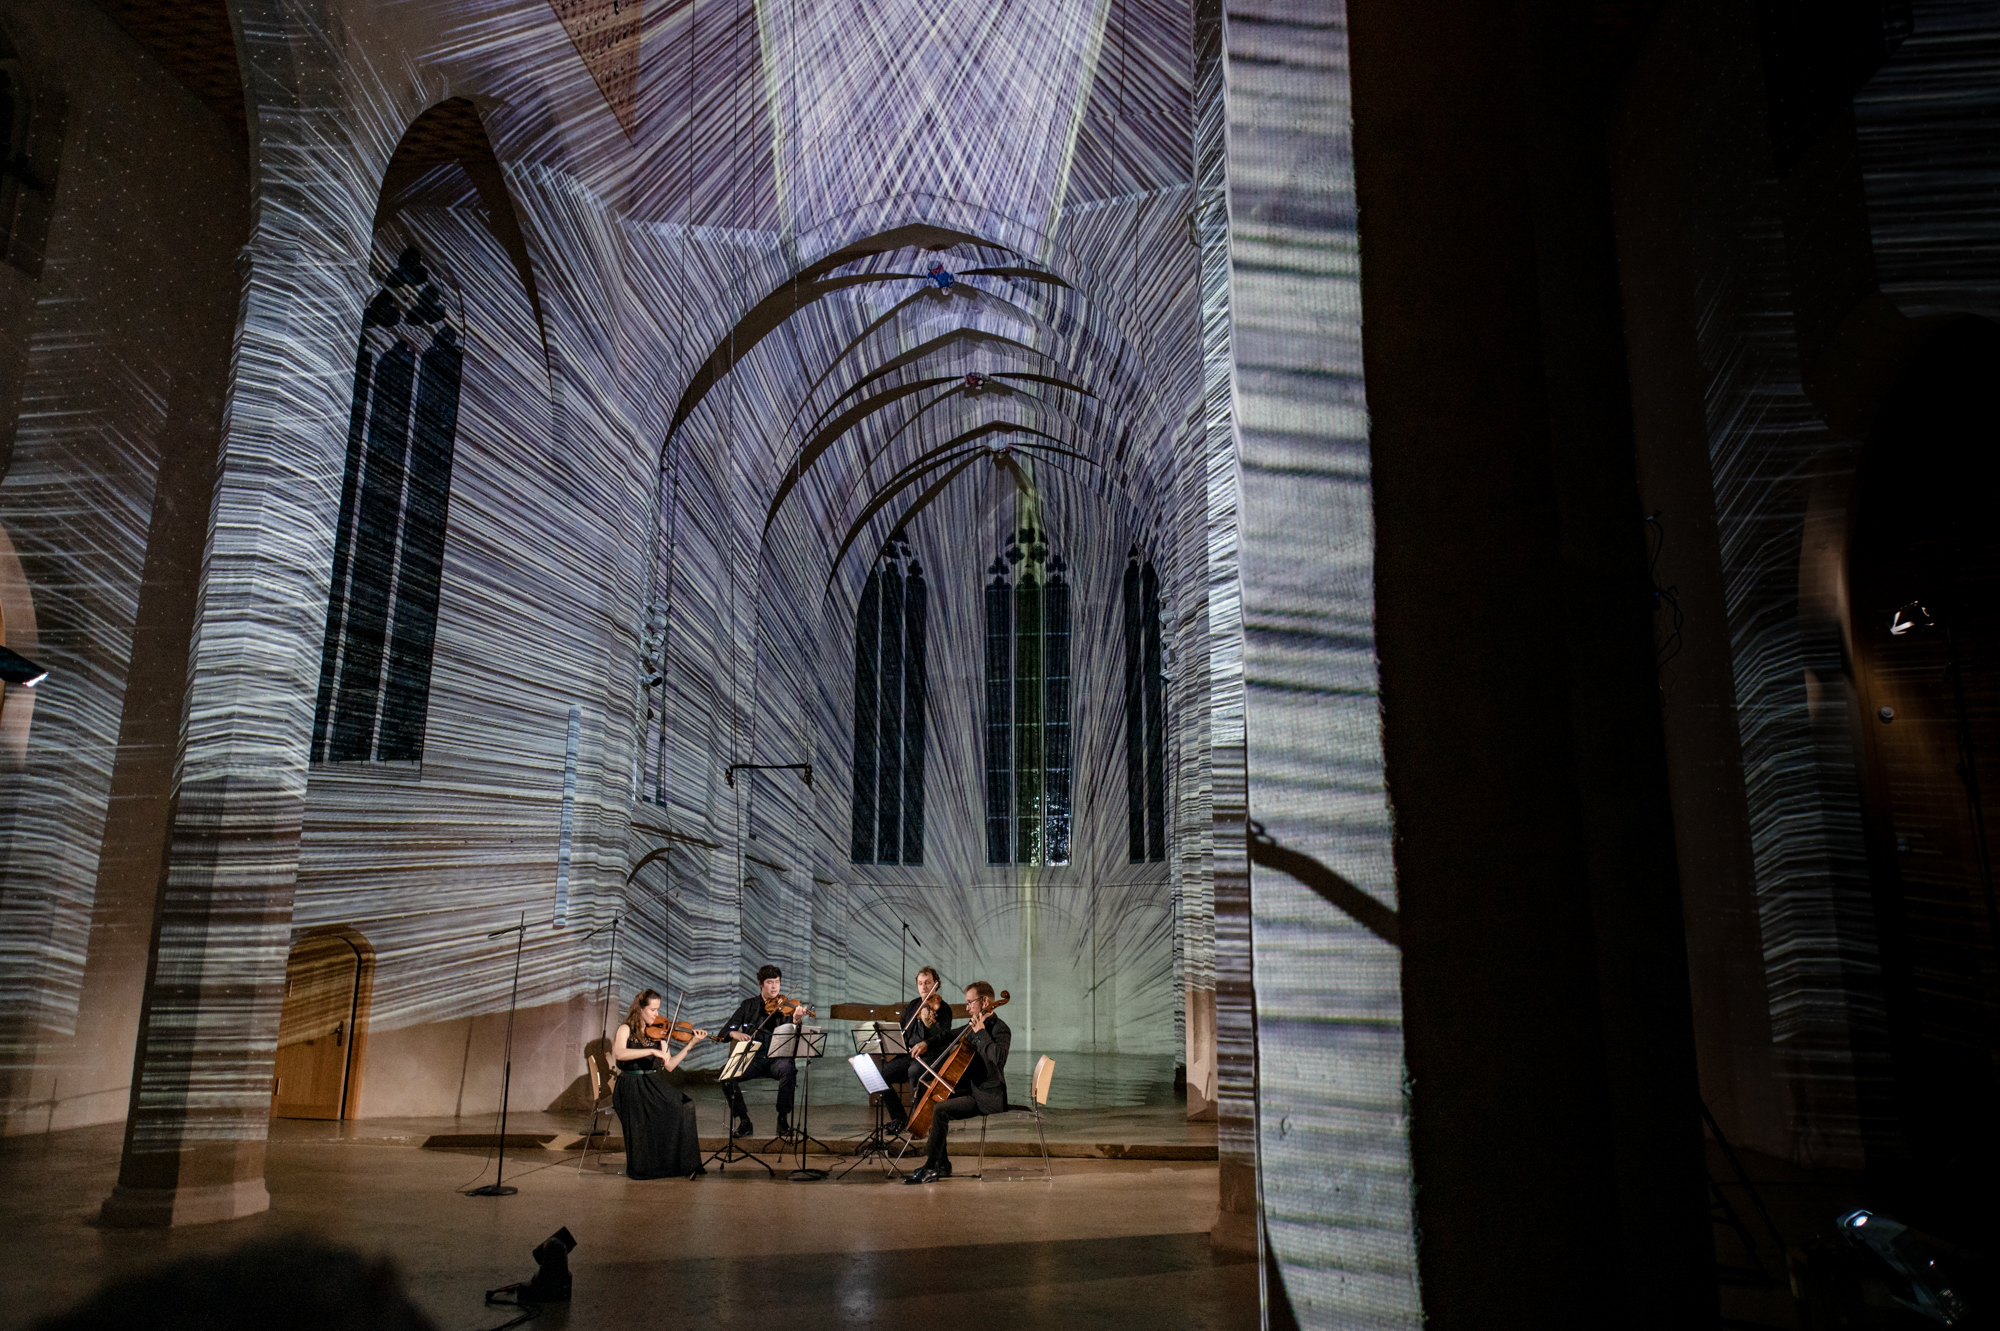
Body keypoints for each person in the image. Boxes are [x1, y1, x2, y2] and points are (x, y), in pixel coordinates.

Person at [905, 980, 1009, 1184]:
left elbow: (998, 1058)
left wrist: (981, 1034)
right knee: (935, 1101)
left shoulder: (999, 1029)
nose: (967, 1007)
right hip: (971, 1089)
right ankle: (941, 1164)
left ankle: (930, 1167)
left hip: (987, 1096)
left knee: (940, 1110)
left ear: (985, 1001)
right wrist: (926, 1043)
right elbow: (948, 1035)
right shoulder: (973, 1025)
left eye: (970, 1002)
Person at [610, 989, 708, 1179]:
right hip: (631, 1084)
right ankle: (649, 1165)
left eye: (658, 1010)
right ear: (640, 1009)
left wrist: (691, 1044)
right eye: (653, 1010)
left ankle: (678, 1163)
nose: (657, 1014)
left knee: (685, 1105)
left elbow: (670, 1065)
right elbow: (620, 1054)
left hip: (651, 1084)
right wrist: (651, 1052)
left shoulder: (659, 1036)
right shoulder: (625, 1030)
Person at [717, 964, 812, 1139]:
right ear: (761, 984)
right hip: (752, 1059)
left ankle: (782, 1119)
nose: (774, 986)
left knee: (789, 1069)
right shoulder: (748, 1006)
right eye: (770, 982)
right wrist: (734, 1033)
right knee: (725, 1074)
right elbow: (724, 1032)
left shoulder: (787, 1007)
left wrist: (797, 1020)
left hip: (776, 1059)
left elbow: (797, 1038)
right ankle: (744, 1121)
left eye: (777, 982)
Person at [880, 965, 953, 1134]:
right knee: (882, 1074)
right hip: (909, 1054)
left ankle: (920, 1119)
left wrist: (929, 1034)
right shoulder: (913, 1005)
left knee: (915, 1072)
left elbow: (944, 1037)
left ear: (936, 984)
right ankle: (899, 1117)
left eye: (928, 983)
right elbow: (901, 1030)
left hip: (931, 1056)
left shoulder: (943, 1008)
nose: (924, 987)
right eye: (920, 983)